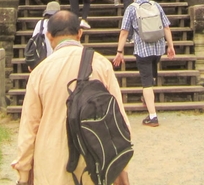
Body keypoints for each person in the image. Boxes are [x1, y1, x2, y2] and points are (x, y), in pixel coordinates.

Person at [13, 10, 129, 185]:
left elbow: (29, 127)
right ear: (80, 33)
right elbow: (120, 118)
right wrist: (121, 168)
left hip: (51, 163)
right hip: (94, 162)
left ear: (49, 36)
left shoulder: (40, 72)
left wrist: (23, 172)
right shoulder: (100, 64)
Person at [112, 0, 175, 128]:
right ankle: (147, 98)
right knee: (151, 76)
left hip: (142, 49)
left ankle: (152, 116)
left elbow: (124, 32)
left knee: (146, 82)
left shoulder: (131, 9)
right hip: (158, 47)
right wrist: (170, 46)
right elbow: (166, 27)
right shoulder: (156, 5)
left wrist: (119, 51)